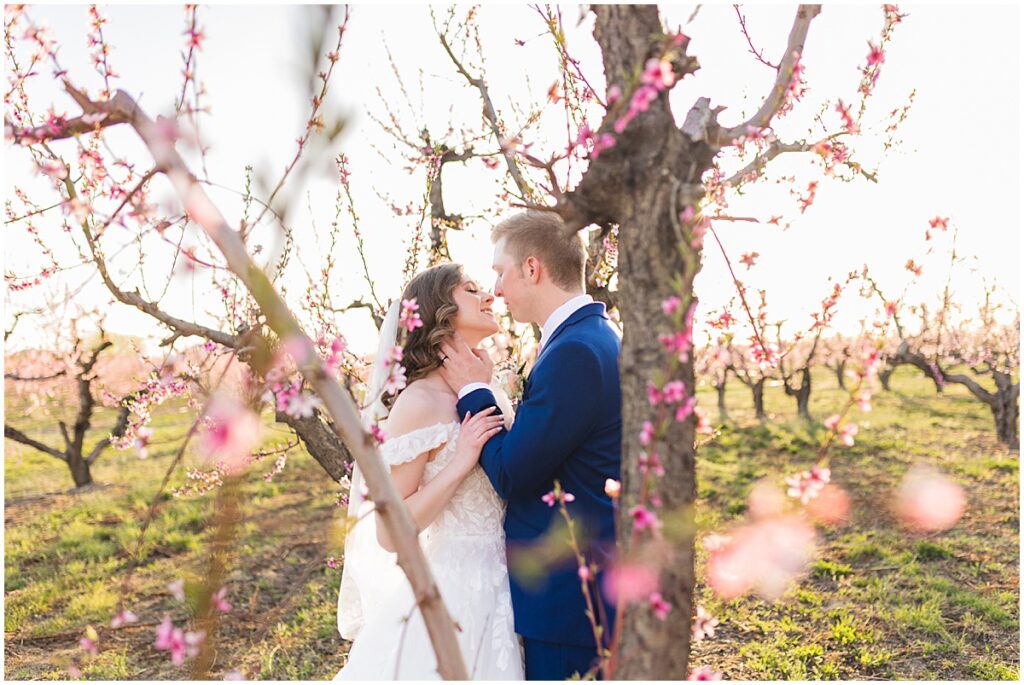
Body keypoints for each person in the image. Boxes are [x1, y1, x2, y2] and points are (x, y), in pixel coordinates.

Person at [439, 210, 622, 680]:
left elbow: (513, 474)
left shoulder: (574, 353)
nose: (495, 289)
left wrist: (474, 393)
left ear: (533, 269)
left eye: (500, 272)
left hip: (567, 603)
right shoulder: (590, 338)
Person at [335, 263, 524, 680]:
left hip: (509, 582)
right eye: (472, 290)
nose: (489, 296)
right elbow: (390, 533)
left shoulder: (486, 387)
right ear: (441, 311)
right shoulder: (418, 402)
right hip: (454, 590)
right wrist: (460, 463)